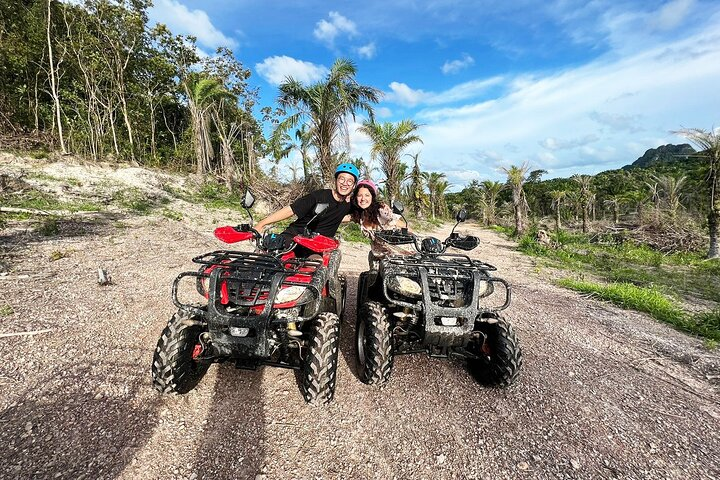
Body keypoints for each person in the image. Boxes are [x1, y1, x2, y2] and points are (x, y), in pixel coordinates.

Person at [253, 163, 359, 258]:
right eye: (341, 179)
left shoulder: (350, 205)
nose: (345, 183)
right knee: (268, 257)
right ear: (335, 180)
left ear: (354, 185)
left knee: (315, 265)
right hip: (294, 236)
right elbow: (291, 210)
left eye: (350, 181)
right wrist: (262, 223)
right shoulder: (319, 196)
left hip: (316, 246)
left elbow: (349, 216)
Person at [349, 179, 407, 269]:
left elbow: (403, 226)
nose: (363, 199)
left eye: (367, 195)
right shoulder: (359, 215)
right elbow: (340, 219)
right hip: (379, 257)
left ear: (372, 197)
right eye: (359, 195)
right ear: (355, 197)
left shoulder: (381, 211)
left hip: (399, 256)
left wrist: (419, 239)